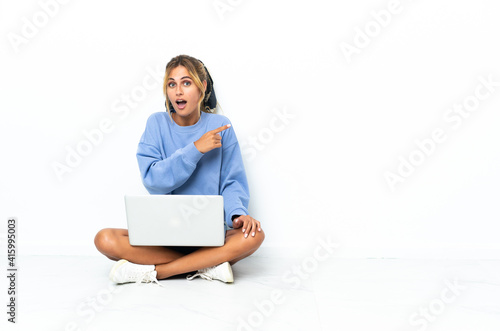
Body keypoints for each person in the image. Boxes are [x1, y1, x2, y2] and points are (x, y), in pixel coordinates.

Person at [94, 55, 265, 284]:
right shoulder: (156, 123)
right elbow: (153, 178)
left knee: (255, 235)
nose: (178, 91)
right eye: (171, 84)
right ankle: (207, 265)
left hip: (209, 237)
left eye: (186, 83)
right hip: (163, 237)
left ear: (202, 86)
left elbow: (232, 181)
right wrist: (195, 149)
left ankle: (158, 272)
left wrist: (237, 214)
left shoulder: (220, 127)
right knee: (104, 239)